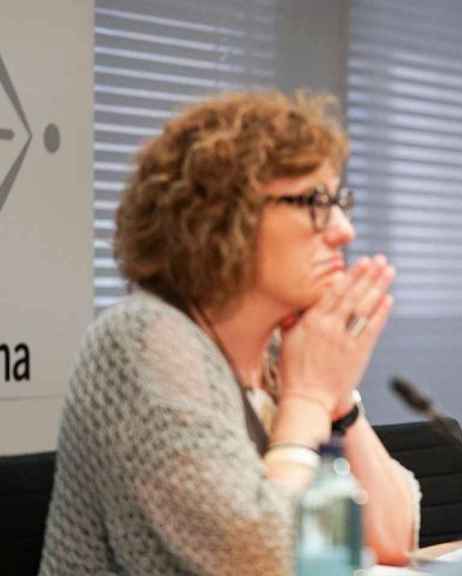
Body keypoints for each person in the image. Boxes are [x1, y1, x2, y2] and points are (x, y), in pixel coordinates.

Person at [40, 92, 419, 574]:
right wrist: (308, 401)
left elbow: (391, 540)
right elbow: (259, 556)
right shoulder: (142, 342)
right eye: (315, 202)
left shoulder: (284, 353)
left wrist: (338, 399)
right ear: (221, 217)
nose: (343, 230)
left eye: (339, 200)